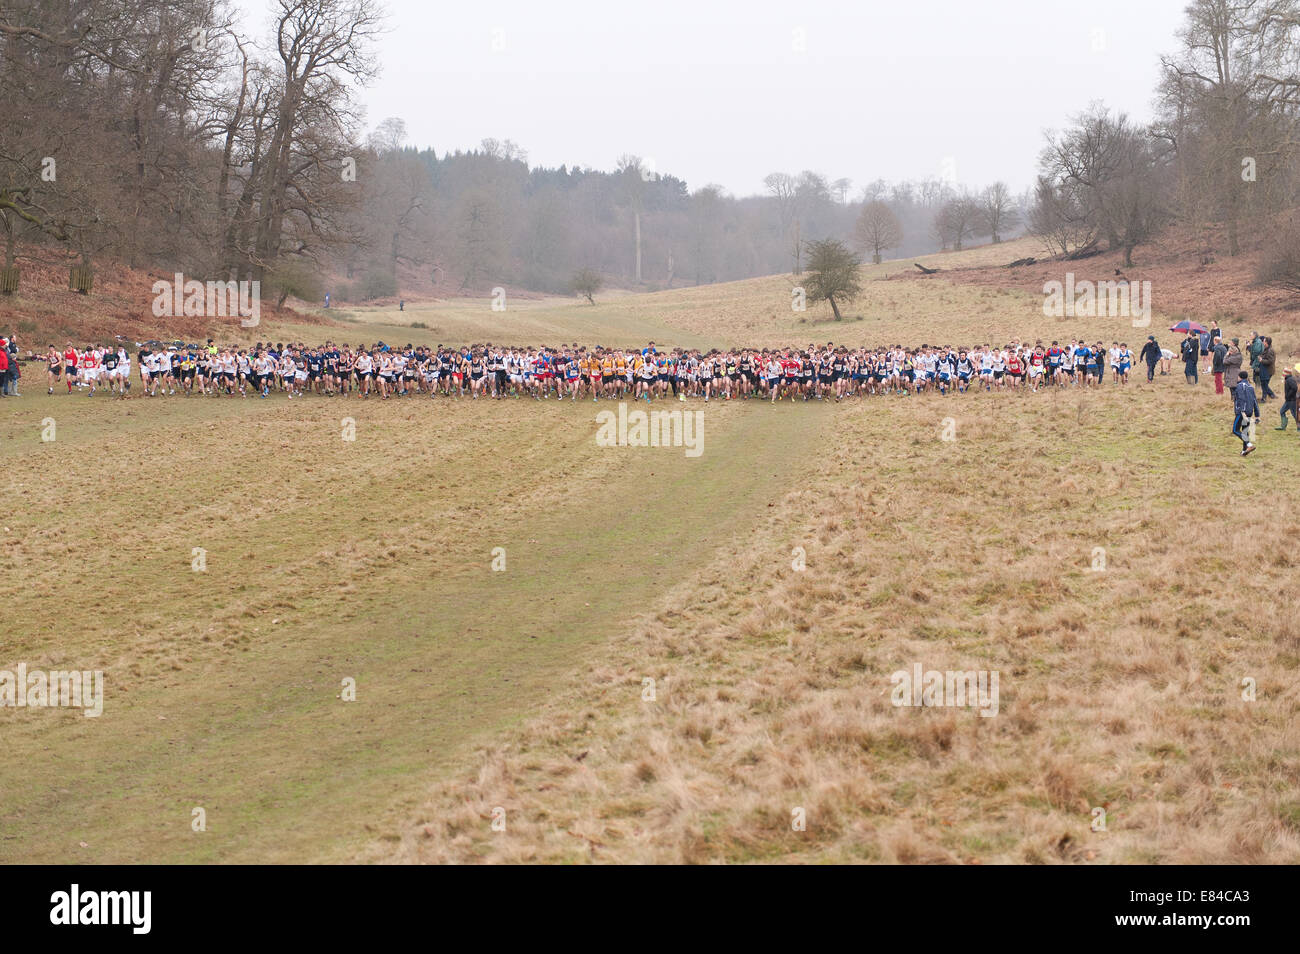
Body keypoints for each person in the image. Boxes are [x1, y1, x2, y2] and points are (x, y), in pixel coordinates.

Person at [1232, 371, 1259, 456]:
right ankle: (1244, 451)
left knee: (1235, 430)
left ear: (1240, 377)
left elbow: (1241, 398)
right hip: (1249, 411)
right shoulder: (1251, 387)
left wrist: (1242, 411)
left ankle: (1249, 444)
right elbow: (1255, 401)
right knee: (1244, 431)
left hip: (1242, 412)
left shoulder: (1240, 386)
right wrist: (1257, 415)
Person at [1259, 336, 1277, 400]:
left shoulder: (1270, 350)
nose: (1262, 342)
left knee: (1264, 385)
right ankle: (1272, 395)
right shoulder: (1266, 348)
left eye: (1263, 341)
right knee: (1264, 384)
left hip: (1268, 371)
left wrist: (1262, 360)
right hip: (1265, 370)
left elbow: (1270, 361)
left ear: (1266, 342)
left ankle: (1264, 398)